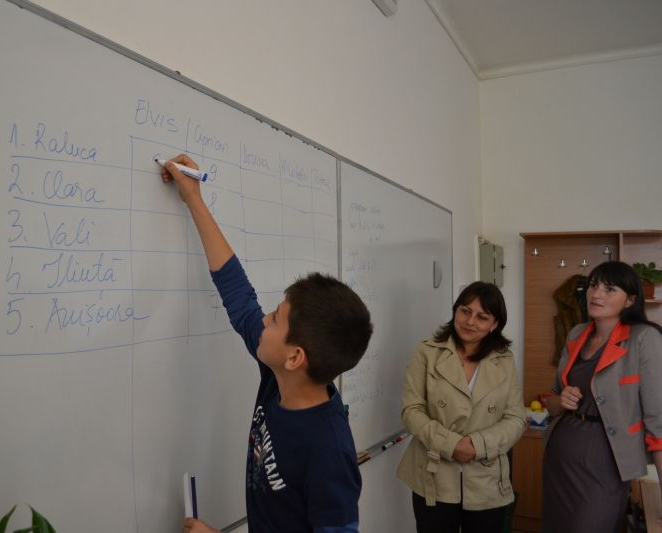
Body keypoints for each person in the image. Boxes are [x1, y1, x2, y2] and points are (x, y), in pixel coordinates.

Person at [160, 155, 374, 533]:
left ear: (295, 357)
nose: (263, 321)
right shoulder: (280, 378)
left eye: (274, 319)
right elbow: (238, 295)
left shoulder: (328, 451)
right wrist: (194, 198)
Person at [542, 261, 662, 533]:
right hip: (560, 459)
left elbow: (658, 421)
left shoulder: (645, 338)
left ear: (630, 300)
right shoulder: (576, 334)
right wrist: (561, 401)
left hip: (607, 462)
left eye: (610, 289)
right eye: (594, 285)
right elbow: (552, 401)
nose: (596, 294)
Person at [397, 281, 525, 533]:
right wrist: (451, 445)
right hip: (434, 475)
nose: (470, 322)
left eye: (482, 317)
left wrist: (477, 445)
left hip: (486, 479)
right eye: (465, 311)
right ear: (455, 310)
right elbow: (411, 410)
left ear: (494, 324)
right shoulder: (427, 352)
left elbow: (515, 417)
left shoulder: (504, 359)